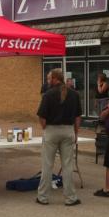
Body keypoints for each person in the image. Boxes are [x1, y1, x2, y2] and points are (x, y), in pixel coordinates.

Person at [36, 68, 82, 206]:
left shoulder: (48, 94)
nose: (48, 81)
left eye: (49, 78)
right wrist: (76, 132)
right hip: (68, 130)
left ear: (55, 78)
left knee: (47, 165)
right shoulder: (74, 94)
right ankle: (70, 198)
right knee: (67, 165)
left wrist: (45, 128)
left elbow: (41, 116)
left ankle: (43, 197)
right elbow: (78, 116)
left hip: (52, 130)